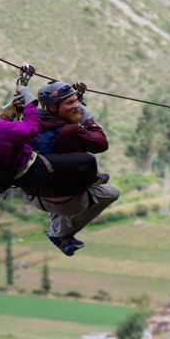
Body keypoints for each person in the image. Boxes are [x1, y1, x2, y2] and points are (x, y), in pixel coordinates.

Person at [0, 76, 99, 198]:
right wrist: (30, 103)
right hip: (29, 169)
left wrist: (12, 110)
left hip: (4, 173)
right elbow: (32, 128)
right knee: (87, 161)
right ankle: (89, 189)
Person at [28, 80, 119, 256]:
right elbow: (100, 143)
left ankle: (61, 231)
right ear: (52, 108)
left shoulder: (31, 124)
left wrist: (76, 99)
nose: (76, 105)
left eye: (76, 101)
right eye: (70, 103)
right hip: (68, 202)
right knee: (111, 192)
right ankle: (62, 233)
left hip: (37, 196)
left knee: (57, 173)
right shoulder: (70, 131)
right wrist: (88, 118)